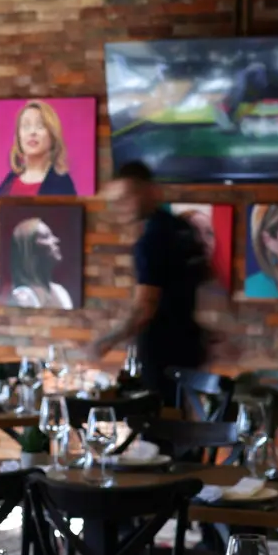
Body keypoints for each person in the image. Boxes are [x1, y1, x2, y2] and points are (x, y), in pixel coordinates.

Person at [88, 162, 209, 398]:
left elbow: (145, 307)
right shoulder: (182, 227)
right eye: (115, 200)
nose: (119, 207)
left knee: (159, 427)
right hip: (191, 347)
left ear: (149, 191)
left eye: (126, 197)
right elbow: (206, 280)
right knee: (182, 424)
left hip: (162, 351)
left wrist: (106, 341)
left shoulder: (151, 240)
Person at [0, 101, 78, 197]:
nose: (32, 132)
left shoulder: (62, 183)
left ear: (52, 135)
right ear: (18, 137)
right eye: (26, 126)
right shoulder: (9, 181)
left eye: (40, 126)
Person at [5, 217, 73, 309]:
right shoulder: (23, 298)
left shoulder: (60, 291)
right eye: (46, 236)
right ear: (30, 250)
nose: (56, 240)